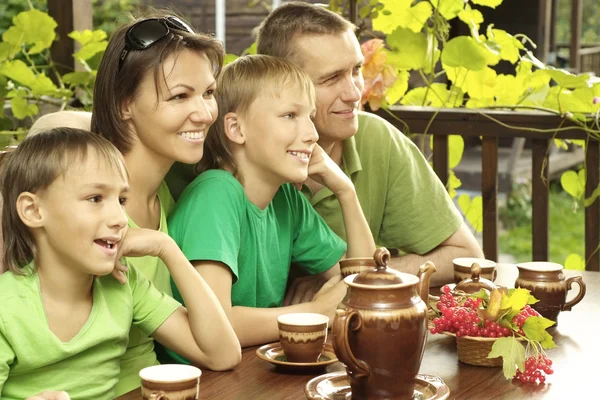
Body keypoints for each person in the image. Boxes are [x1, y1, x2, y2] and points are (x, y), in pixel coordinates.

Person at [21, 12, 229, 396]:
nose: (204, 113)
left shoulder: (171, 188)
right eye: (180, 96)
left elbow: (218, 351)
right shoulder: (70, 208)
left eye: (209, 93)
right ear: (123, 105)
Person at [254, 2, 483, 286]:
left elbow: (467, 257)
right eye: (332, 78)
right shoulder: (240, 153)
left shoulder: (376, 139)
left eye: (356, 70)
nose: (354, 92)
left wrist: (337, 282)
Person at [0, 128, 240, 400]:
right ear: (33, 210)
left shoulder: (124, 283)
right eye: (95, 199)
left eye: (122, 200)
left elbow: (223, 355)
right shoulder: (5, 308)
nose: (120, 218)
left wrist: (167, 248)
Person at [165, 54, 376, 352]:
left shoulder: (286, 199)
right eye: (290, 115)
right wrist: (317, 312)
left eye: (310, 117)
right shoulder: (215, 194)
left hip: (256, 366)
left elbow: (364, 285)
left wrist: (345, 190)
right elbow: (217, 326)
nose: (312, 134)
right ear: (237, 129)